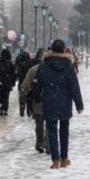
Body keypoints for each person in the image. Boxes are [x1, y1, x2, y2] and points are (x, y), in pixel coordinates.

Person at [32, 39, 84, 169]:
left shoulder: (44, 65)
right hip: (65, 102)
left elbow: (37, 84)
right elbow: (74, 87)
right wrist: (79, 105)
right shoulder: (68, 66)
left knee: (51, 130)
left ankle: (55, 160)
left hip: (49, 101)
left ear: (52, 50)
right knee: (64, 130)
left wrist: (37, 97)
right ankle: (64, 158)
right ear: (63, 49)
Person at [19, 48, 47, 154]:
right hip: (51, 101)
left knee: (39, 123)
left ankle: (39, 143)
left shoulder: (33, 70)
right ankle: (48, 143)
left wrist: (22, 100)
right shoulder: (54, 69)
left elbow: (24, 86)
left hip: (38, 100)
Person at [0, 49, 16, 117]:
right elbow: (14, 75)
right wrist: (12, 83)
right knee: (6, 97)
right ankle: (5, 110)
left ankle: (1, 109)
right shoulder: (10, 64)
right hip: (7, 84)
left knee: (0, 97)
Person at [14, 50, 32, 116]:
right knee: (29, 96)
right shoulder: (30, 64)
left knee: (22, 96)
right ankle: (29, 109)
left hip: (22, 83)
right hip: (29, 83)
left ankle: (22, 108)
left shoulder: (20, 65)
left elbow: (17, 74)